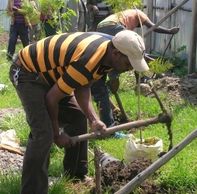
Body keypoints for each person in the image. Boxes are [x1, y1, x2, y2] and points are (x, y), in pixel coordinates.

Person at [9, 30, 149, 194]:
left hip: (52, 75)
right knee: (43, 134)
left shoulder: (107, 55)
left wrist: (94, 119)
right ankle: (33, 191)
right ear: (116, 54)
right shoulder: (88, 60)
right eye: (128, 64)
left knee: (78, 117)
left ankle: (76, 174)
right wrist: (56, 134)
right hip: (28, 73)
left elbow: (83, 85)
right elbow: (51, 99)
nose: (130, 69)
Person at [91, 8, 180, 127]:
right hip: (114, 26)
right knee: (134, 50)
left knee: (118, 56)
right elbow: (153, 27)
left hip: (101, 26)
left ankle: (114, 78)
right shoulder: (140, 13)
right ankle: (144, 68)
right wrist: (169, 31)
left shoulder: (124, 13)